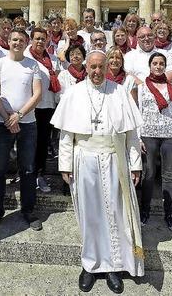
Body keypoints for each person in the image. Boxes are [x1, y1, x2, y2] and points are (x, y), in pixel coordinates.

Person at [51, 50, 145, 293]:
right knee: (90, 215)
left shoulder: (120, 92)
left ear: (107, 68)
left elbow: (131, 135)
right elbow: (66, 135)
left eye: (101, 67)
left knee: (115, 213)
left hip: (115, 160)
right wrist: (65, 164)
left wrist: (135, 164)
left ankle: (114, 265)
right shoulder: (73, 93)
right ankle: (90, 266)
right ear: (86, 66)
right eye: (92, 66)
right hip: (84, 160)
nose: (96, 71)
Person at [0, 29, 44, 234]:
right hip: (1, 123)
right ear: (8, 41)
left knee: (27, 169)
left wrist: (18, 115)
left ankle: (28, 210)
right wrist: (8, 117)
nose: (18, 43)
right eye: (14, 39)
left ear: (26, 43)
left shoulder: (32, 64)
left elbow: (37, 94)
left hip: (27, 123)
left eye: (21, 40)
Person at [132, 52, 172, 232]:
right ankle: (145, 211)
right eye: (154, 63)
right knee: (149, 173)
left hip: (171, 134)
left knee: (168, 175)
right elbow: (138, 113)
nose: (158, 66)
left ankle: (169, 216)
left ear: (165, 66)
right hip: (148, 134)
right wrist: (138, 137)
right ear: (150, 66)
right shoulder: (142, 88)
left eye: (161, 63)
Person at [25, 27, 62, 194]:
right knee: (28, 142)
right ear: (31, 40)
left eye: (43, 39)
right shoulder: (25, 58)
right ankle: (27, 174)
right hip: (30, 106)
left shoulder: (52, 59)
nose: (40, 41)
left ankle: (39, 174)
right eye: (37, 38)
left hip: (47, 105)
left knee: (42, 143)